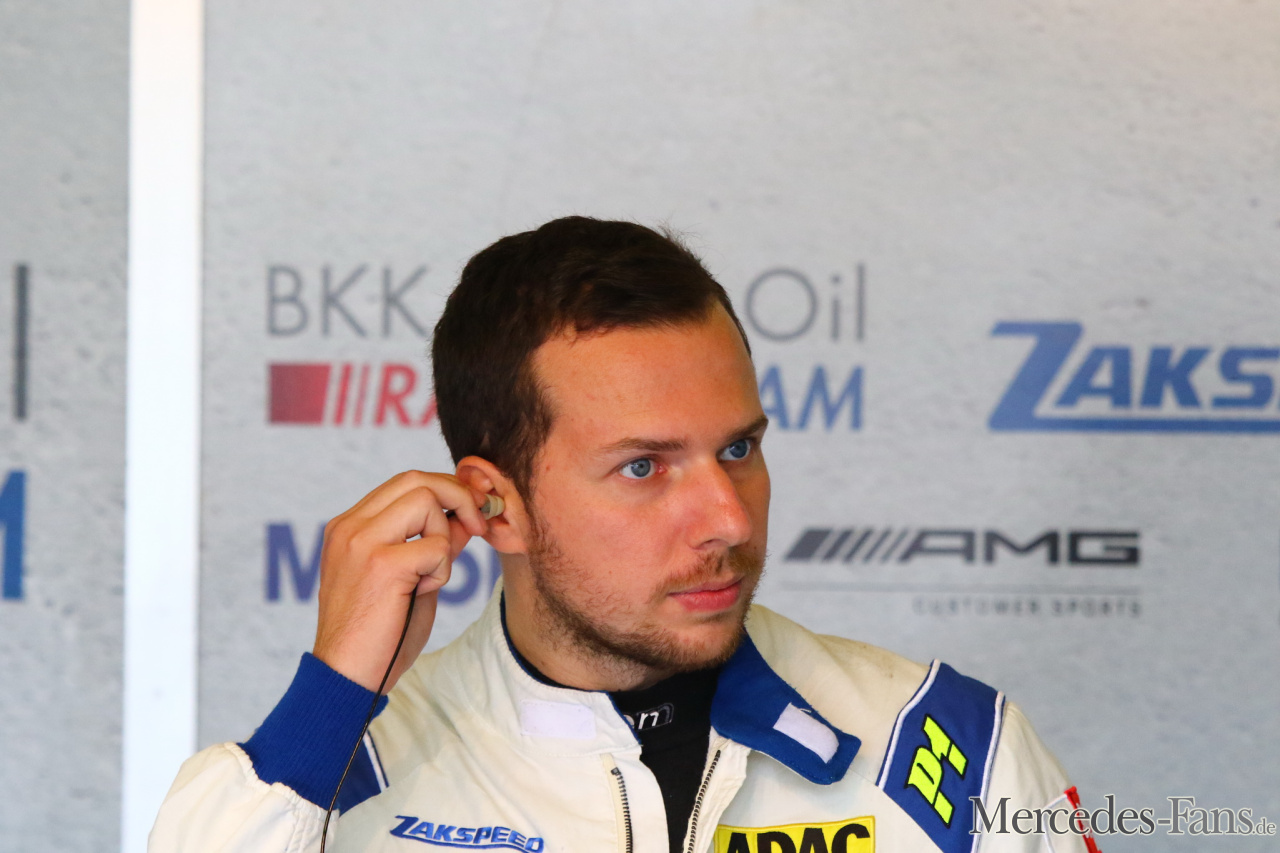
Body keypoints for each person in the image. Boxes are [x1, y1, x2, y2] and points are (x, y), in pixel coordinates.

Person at [152, 217, 1091, 853]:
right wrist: (327, 701)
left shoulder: (949, 746)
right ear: (497, 505)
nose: (728, 518)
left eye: (738, 448)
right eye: (644, 467)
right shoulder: (342, 778)